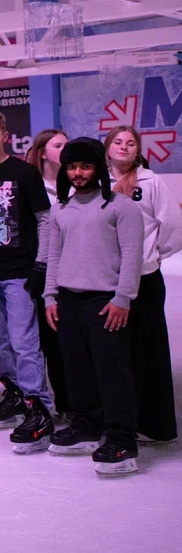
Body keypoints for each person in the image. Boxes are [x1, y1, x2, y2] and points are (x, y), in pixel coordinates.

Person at [44, 137, 144, 475]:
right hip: (68, 301)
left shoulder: (121, 207)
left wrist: (123, 298)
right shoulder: (60, 210)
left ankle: (122, 439)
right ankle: (86, 426)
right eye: (72, 167)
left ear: (98, 168)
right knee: (77, 370)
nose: (78, 173)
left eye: (85, 166)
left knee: (113, 372)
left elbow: (132, 255)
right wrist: (50, 296)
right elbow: (53, 256)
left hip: (106, 302)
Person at [0, 111, 55, 451]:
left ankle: (39, 407)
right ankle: (16, 393)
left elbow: (44, 220)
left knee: (24, 341)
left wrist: (40, 265)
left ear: (5, 136)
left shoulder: (25, 173)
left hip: (19, 273)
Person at [105, 125, 181, 443]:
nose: (124, 146)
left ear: (138, 150)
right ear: (107, 147)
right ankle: (118, 420)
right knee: (115, 355)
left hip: (144, 280)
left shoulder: (151, 182)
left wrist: (150, 256)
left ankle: (154, 425)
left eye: (131, 143)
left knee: (148, 353)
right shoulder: (97, 182)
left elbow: (173, 225)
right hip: (107, 280)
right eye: (118, 141)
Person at [24, 128, 69, 414]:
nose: (65, 150)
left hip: (76, 271)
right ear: (42, 153)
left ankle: (81, 402)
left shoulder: (78, 185)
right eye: (58, 145)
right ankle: (60, 401)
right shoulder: (33, 186)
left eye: (67, 144)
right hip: (42, 271)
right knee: (49, 341)